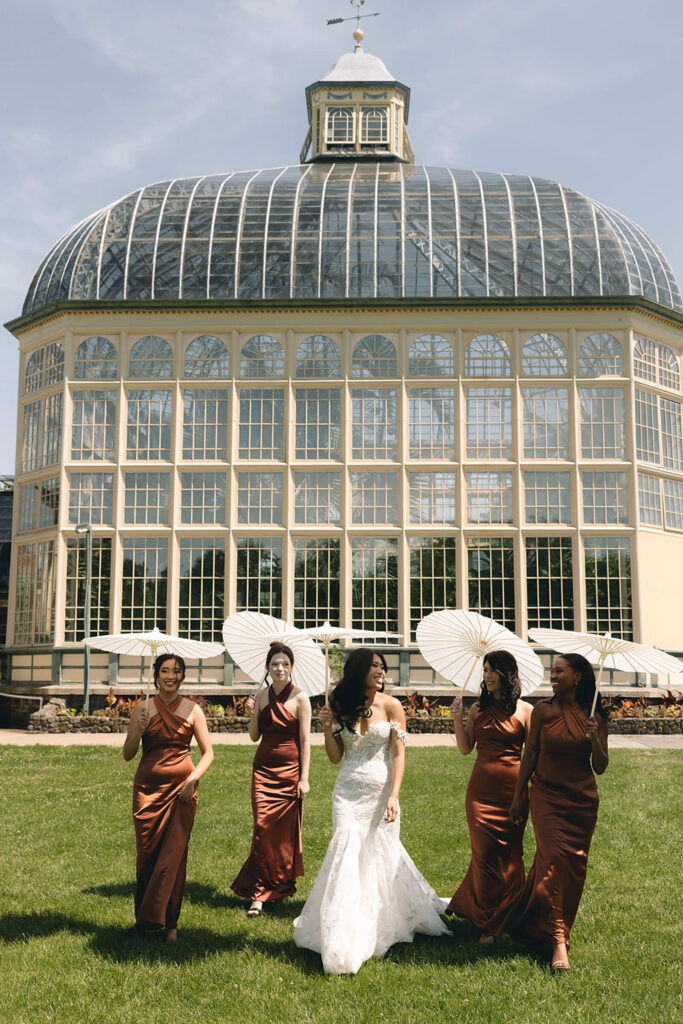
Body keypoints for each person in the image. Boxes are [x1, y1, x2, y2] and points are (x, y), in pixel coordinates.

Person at [293, 648, 450, 974]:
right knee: (346, 851)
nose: (381, 671)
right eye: (374, 666)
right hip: (347, 793)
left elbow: (398, 754)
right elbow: (335, 757)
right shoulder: (339, 704)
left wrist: (394, 795)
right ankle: (343, 929)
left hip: (380, 793)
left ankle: (380, 918)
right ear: (359, 670)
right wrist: (327, 726)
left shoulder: (392, 706)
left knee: (379, 855)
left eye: (383, 667)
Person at [509, 653, 609, 971]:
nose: (552, 676)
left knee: (573, 869)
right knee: (552, 860)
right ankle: (558, 941)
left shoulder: (596, 715)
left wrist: (595, 740)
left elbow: (601, 766)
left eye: (559, 671)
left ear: (577, 677)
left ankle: (535, 920)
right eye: (552, 671)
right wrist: (518, 795)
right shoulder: (542, 710)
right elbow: (531, 753)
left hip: (582, 802)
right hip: (546, 796)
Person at [123, 653, 213, 942]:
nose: (171, 676)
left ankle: (171, 923)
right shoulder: (142, 709)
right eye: (165, 670)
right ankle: (145, 919)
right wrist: (139, 729)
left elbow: (208, 753)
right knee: (147, 857)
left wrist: (193, 779)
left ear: (182, 676)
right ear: (156, 675)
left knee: (174, 857)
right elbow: (127, 754)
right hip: (147, 792)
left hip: (182, 793)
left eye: (176, 671)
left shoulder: (193, 710)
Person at [447, 651, 533, 943]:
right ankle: (486, 921)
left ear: (507, 674)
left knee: (511, 855)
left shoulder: (526, 710)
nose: (487, 675)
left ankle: (510, 914)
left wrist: (526, 792)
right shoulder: (477, 709)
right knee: (483, 855)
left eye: (493, 670)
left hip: (513, 791)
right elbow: (465, 748)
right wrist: (457, 719)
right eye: (485, 670)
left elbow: (533, 756)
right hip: (480, 793)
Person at [231, 642, 311, 916]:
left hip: (290, 772)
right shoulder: (261, 695)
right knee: (262, 829)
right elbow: (254, 736)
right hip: (263, 771)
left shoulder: (301, 698)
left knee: (284, 835)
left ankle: (280, 887)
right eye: (275, 664)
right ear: (267, 667)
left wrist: (304, 778)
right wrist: (252, 713)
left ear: (291, 667)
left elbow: (305, 741)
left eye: (285, 664)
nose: (280, 668)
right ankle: (258, 893)